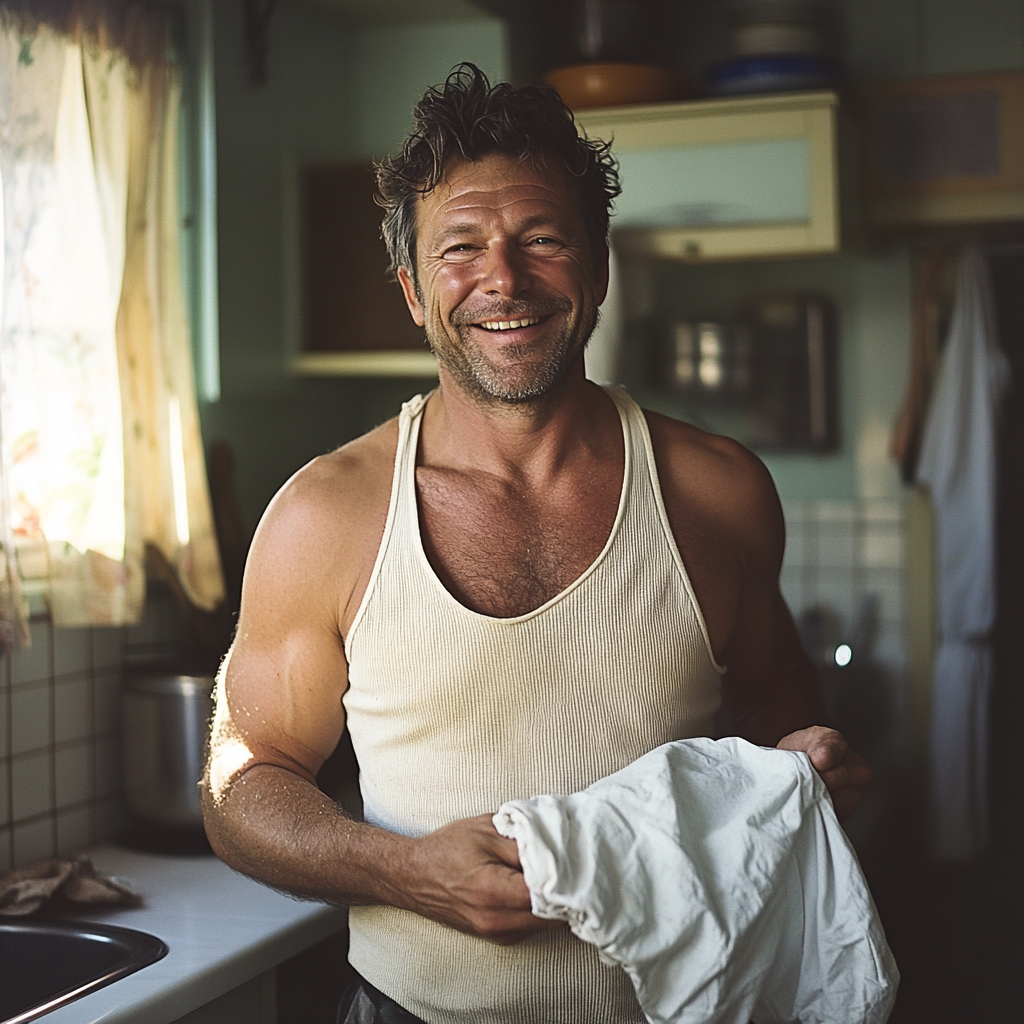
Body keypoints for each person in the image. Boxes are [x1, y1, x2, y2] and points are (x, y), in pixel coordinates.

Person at [202, 64, 872, 1024]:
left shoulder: (717, 494)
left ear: (598, 268)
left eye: (542, 240)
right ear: (411, 289)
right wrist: (406, 873)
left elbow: (775, 721)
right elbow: (243, 784)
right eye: (460, 248)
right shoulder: (328, 517)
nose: (504, 280)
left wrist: (807, 767)